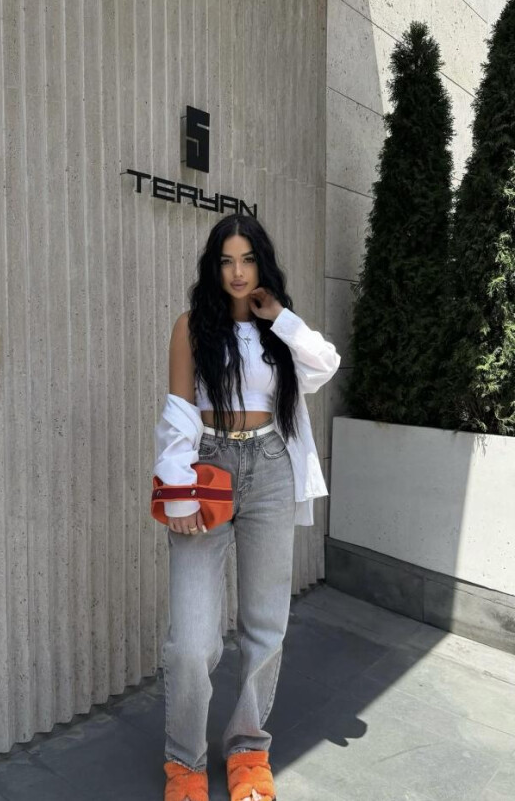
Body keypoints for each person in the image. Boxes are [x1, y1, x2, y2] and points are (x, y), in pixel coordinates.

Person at [154, 213, 341, 801]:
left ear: (262, 264)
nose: (237, 272)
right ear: (214, 267)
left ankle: (247, 749)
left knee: (265, 624)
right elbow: (179, 411)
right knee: (192, 641)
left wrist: (278, 315)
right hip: (207, 468)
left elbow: (325, 363)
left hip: (270, 468)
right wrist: (178, 489)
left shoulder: (277, 331)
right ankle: (184, 761)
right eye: (227, 261)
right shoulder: (191, 327)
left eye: (248, 259)